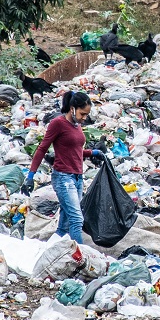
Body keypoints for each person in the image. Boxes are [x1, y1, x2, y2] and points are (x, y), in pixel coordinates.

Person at [24, 91, 104, 244]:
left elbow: (74, 150)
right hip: (63, 178)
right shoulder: (58, 123)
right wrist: (30, 176)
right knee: (76, 219)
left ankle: (50, 250)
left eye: (86, 115)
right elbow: (42, 148)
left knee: (65, 225)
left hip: (77, 178)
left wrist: (92, 152)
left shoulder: (77, 125)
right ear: (73, 108)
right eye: (82, 114)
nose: (84, 118)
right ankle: (80, 259)